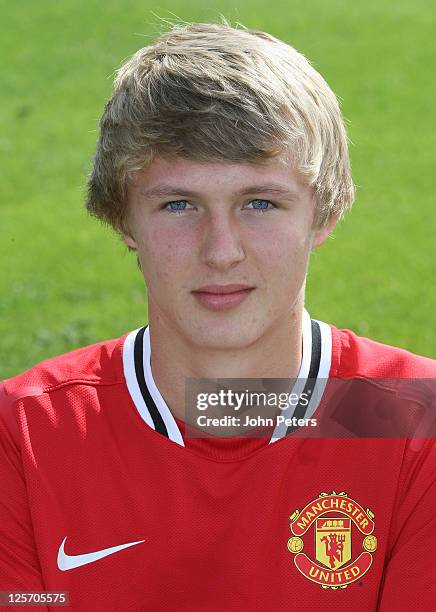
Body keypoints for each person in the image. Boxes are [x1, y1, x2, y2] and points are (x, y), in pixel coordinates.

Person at [0, 22, 434, 612]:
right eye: (179, 205)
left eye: (260, 203)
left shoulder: (414, 422)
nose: (222, 249)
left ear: (325, 212)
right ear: (123, 219)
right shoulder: (26, 434)